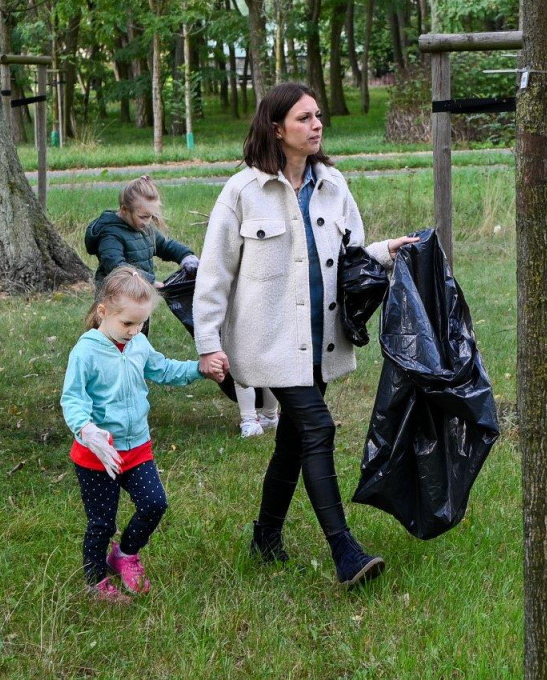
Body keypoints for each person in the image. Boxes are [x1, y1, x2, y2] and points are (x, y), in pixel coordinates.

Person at [192, 82, 419, 588]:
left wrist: (386, 251)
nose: (316, 125)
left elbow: (351, 253)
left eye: (318, 116)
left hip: (320, 341)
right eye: (303, 118)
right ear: (276, 128)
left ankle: (265, 538)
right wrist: (209, 343)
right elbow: (214, 273)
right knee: (317, 428)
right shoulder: (243, 192)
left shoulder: (334, 184)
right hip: (266, 342)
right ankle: (344, 551)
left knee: (293, 443)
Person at [61, 266, 225, 603]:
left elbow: (163, 369)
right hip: (97, 456)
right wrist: (87, 430)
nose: (135, 331)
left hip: (137, 448)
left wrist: (199, 369)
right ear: (103, 312)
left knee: (154, 504)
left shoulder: (137, 344)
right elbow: (73, 398)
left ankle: (125, 555)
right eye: (127, 324)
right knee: (101, 524)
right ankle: (94, 581)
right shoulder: (86, 351)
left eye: (141, 324)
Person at [84, 175, 200, 291]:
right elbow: (117, 267)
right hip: (114, 296)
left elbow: (164, 245)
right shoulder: (110, 234)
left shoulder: (145, 227)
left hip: (139, 293)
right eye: (143, 217)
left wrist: (186, 256)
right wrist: (149, 281)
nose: (147, 222)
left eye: (151, 216)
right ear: (125, 210)